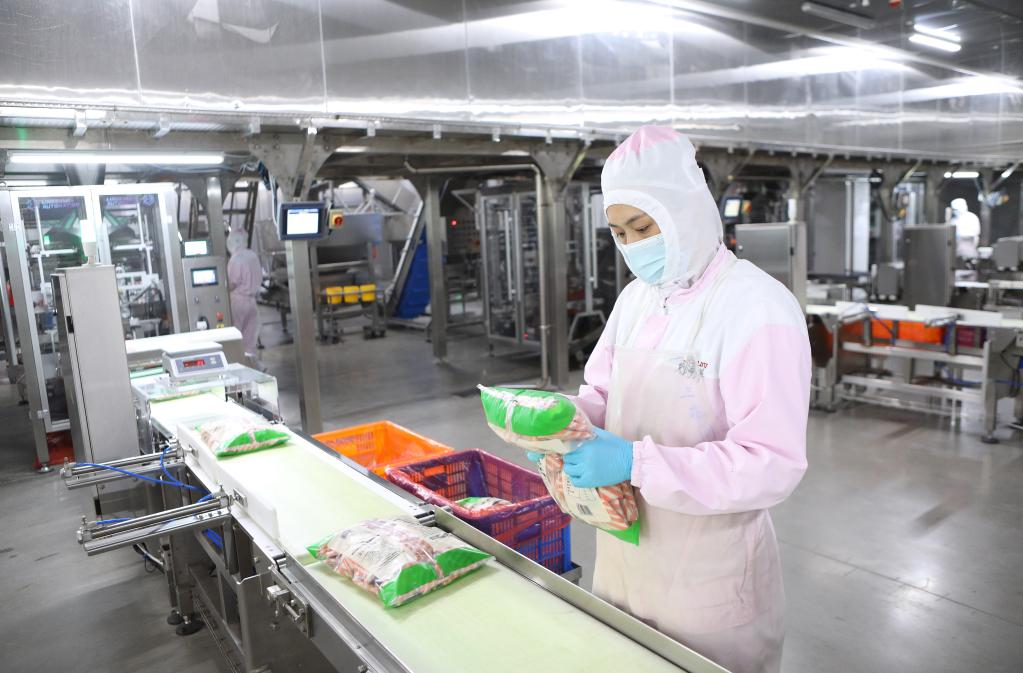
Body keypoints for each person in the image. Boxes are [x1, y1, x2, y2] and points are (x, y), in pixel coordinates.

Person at [543, 126, 811, 673]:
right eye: (619, 231)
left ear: (686, 210)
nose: (633, 245)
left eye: (643, 227)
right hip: (625, 557)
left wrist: (635, 462)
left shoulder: (758, 309)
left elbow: (771, 463)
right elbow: (603, 393)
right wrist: (562, 422)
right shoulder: (636, 300)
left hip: (708, 577)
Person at [226, 229, 263, 356]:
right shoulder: (252, 256)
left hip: (238, 302)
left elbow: (232, 283)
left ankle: (239, 363)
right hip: (252, 302)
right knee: (250, 343)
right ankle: (252, 365)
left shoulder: (236, 259)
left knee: (236, 340)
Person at [950, 197, 980, 262]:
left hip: (970, 253)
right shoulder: (953, 221)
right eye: (954, 209)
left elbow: (974, 235)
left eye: (956, 209)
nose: (956, 211)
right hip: (956, 254)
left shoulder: (972, 217)